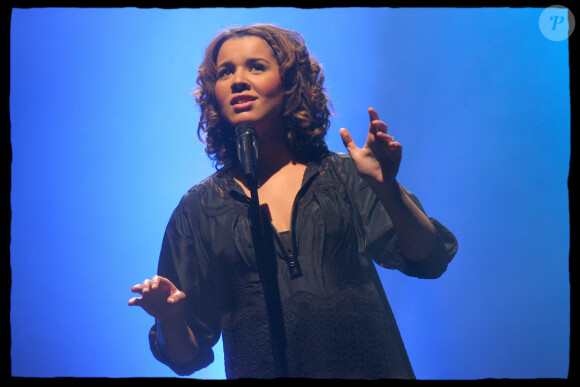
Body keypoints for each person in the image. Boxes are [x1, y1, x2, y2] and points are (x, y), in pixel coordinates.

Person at [128, 23, 458, 379]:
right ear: (214, 94)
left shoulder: (344, 175)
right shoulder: (198, 211)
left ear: (289, 83)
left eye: (256, 66)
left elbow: (429, 256)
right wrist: (169, 318)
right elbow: (185, 356)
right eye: (226, 72)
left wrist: (386, 188)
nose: (238, 80)